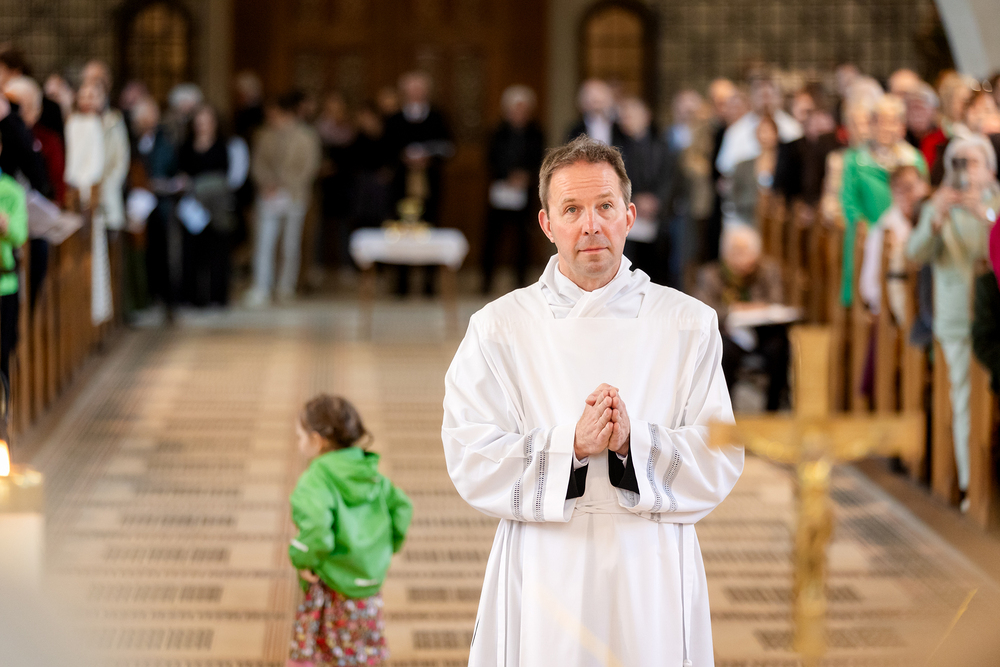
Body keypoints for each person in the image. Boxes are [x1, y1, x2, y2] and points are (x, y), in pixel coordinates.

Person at [442, 135, 744, 666]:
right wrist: (571, 447)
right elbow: (469, 453)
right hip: (545, 563)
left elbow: (720, 454)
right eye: (572, 210)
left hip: (649, 563)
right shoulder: (499, 328)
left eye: (605, 206)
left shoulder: (687, 323)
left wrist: (634, 443)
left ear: (629, 216)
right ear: (546, 224)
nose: (591, 225)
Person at [907, 133, 999, 512]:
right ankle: (969, 485)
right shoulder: (938, 203)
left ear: (990, 169)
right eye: (958, 163)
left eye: (974, 162)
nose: (966, 171)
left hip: (995, 314)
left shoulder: (996, 203)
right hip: (957, 313)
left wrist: (986, 215)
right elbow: (915, 254)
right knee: (963, 398)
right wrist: (935, 218)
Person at [288, 394, 412, 667]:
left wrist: (302, 559)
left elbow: (316, 529)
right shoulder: (370, 472)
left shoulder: (315, 479)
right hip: (367, 581)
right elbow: (402, 508)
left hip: (333, 584)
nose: (298, 443)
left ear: (317, 440)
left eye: (300, 437)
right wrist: (385, 548)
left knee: (323, 648)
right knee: (360, 648)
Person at [840, 94, 926, 306]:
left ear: (902, 126)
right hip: (868, 236)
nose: (887, 127)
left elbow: (923, 199)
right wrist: (870, 231)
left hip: (906, 237)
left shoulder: (914, 160)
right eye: (881, 121)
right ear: (871, 124)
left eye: (894, 121)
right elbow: (849, 202)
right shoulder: (856, 161)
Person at [694, 224, 788, 411]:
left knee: (780, 346)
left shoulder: (767, 271)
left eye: (746, 251)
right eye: (735, 251)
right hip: (728, 333)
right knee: (723, 349)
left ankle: (773, 409)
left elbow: (776, 301)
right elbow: (702, 308)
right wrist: (734, 310)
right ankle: (724, 408)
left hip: (762, 332)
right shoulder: (711, 274)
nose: (740, 258)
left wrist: (755, 309)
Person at [246, 93, 321, 306]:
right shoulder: (264, 135)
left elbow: (309, 167)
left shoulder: (306, 136)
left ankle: (286, 287)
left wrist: (284, 183)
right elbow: (258, 163)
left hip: (294, 194)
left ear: (285, 113)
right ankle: (262, 286)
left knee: (290, 244)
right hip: (269, 194)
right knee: (264, 242)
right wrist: (267, 182)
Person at [383, 71, 453, 296]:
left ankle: (428, 285)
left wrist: (428, 157)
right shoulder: (394, 119)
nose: (416, 94)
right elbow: (385, 149)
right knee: (401, 228)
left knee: (429, 228)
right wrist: (403, 157)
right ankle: (401, 285)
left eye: (419, 89)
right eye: (411, 90)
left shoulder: (437, 117)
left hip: (429, 182)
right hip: (401, 184)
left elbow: (448, 147)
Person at [481, 84, 544, 294]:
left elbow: (541, 159)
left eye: (523, 108)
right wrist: (508, 175)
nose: (519, 112)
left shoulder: (536, 132)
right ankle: (486, 281)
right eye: (515, 108)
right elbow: (490, 158)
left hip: (524, 192)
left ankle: (521, 282)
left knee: (523, 239)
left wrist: (526, 176)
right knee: (493, 238)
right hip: (500, 190)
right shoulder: (497, 132)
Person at [65, 81, 114, 326]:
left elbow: (96, 165)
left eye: (92, 95)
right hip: (71, 194)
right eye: (82, 95)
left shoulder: (99, 124)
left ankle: (93, 317)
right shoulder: (71, 122)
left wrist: (84, 193)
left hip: (88, 197)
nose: (87, 101)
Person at [859, 165, 929, 328]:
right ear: (892, 193)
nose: (907, 195)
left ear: (925, 187)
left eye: (911, 187)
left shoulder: (932, 222)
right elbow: (869, 285)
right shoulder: (884, 229)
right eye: (899, 190)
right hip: (898, 311)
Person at [177, 104, 233, 307]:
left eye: (206, 122)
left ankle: (217, 296)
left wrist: (195, 185)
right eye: (199, 122)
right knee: (192, 253)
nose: (202, 126)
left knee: (217, 253)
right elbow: (181, 173)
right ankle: (193, 297)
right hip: (193, 209)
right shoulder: (186, 147)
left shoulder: (222, 146)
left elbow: (223, 177)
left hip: (216, 208)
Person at [129, 96, 178, 314]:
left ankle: (166, 298)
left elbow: (170, 166)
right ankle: (143, 297)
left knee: (162, 252)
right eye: (143, 118)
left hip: (160, 202)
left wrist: (158, 182)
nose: (148, 122)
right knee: (140, 252)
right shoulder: (132, 141)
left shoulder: (164, 141)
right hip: (137, 202)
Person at [617, 96, 670, 282]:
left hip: (658, 216)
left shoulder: (662, 146)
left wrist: (656, 201)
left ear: (647, 116)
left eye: (632, 115)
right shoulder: (616, 148)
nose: (627, 119)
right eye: (624, 116)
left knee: (656, 269)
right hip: (628, 213)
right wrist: (635, 200)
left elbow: (669, 178)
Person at [714, 75, 803, 178]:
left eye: (769, 95)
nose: (765, 101)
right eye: (761, 96)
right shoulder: (736, 131)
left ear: (778, 97)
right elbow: (725, 166)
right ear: (751, 97)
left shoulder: (793, 128)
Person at [0, 133, 27, 387]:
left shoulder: (11, 190)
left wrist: (5, 225)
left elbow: (20, 235)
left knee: (3, 353)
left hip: (4, 284)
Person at [723, 114, 778, 228]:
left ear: (776, 134)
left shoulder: (784, 165)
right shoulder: (743, 165)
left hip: (775, 221)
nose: (766, 136)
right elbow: (733, 193)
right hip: (746, 218)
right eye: (762, 131)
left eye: (769, 131)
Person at [566, 78, 623, 147]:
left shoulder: (620, 128)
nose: (597, 106)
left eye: (600, 101)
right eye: (593, 101)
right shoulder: (575, 130)